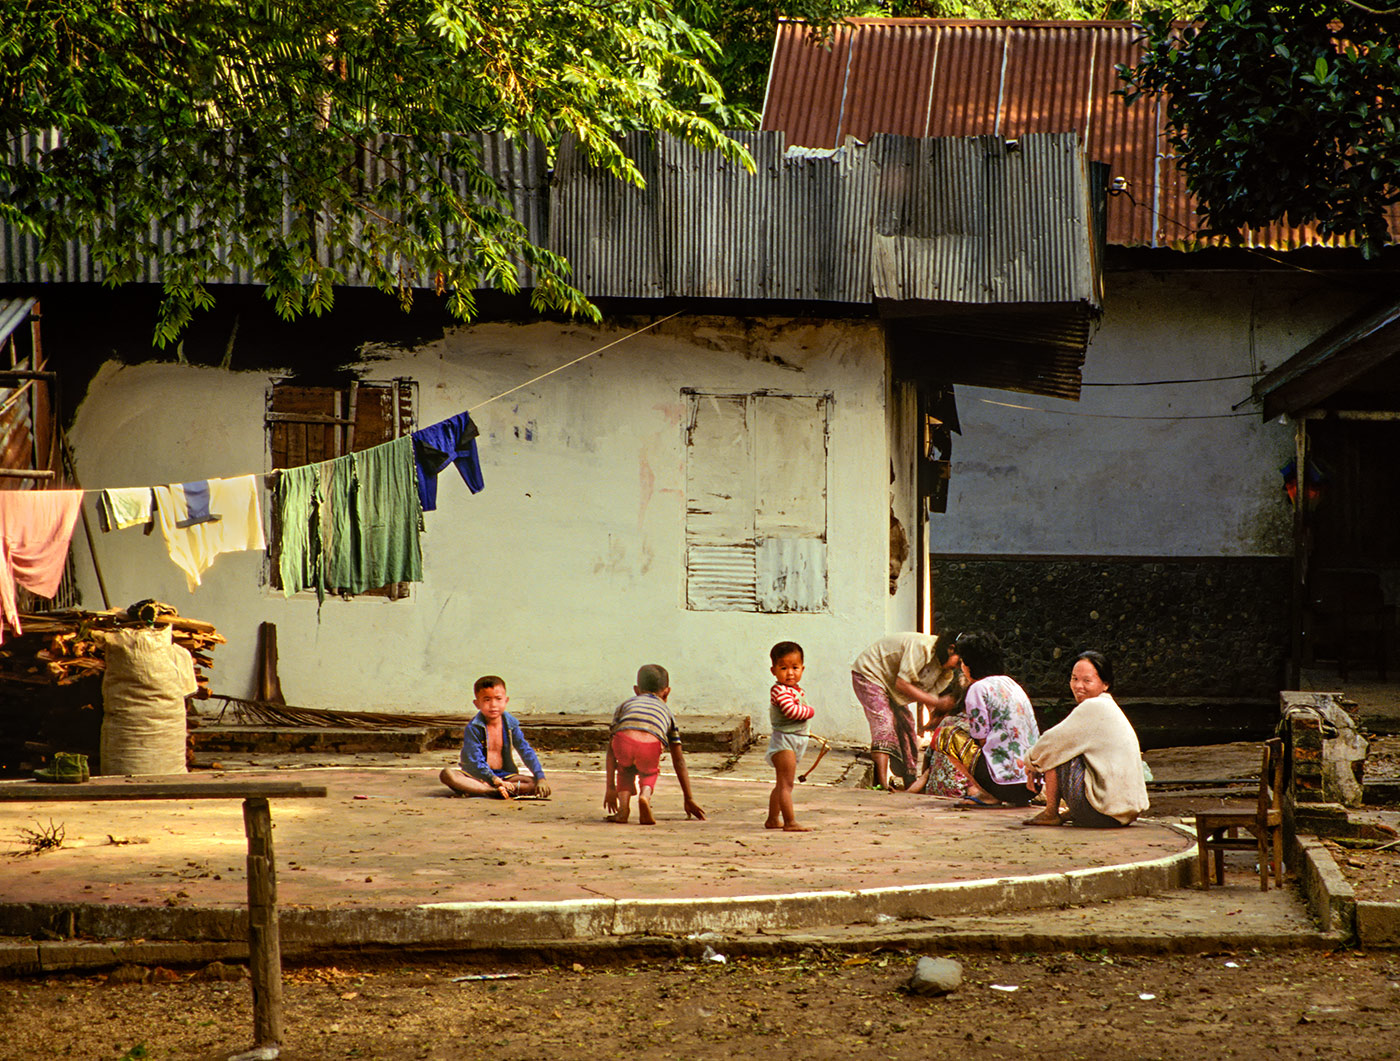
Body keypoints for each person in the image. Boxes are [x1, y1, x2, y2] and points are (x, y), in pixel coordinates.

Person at [1024, 651, 1150, 827]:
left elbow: (1050, 743)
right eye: (1074, 679)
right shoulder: (1109, 706)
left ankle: (1051, 812)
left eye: (1087, 681)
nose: (1078, 686)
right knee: (1058, 747)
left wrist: (1030, 763)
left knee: (1057, 748)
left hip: (1102, 813)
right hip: (1125, 815)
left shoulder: (1094, 706)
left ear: (1105, 684)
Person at [850, 632, 962, 790]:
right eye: (959, 661)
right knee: (884, 722)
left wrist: (936, 717)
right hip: (870, 674)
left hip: (891, 686)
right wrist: (937, 702)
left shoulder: (946, 673)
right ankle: (882, 784)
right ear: (951, 649)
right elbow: (902, 684)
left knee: (908, 727)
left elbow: (928, 696)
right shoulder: (922, 647)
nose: (958, 667)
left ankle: (910, 781)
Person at [943, 630, 1039, 807]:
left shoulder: (978, 689)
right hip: (1031, 784)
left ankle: (987, 794)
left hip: (1001, 785)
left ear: (969, 664)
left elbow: (981, 737)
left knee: (945, 735)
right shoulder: (1012, 684)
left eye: (963, 662)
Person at [604, 664, 706, 825]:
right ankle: (645, 796)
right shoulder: (667, 713)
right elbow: (678, 760)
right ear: (667, 692)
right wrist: (688, 798)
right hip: (649, 746)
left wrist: (610, 788)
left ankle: (623, 810)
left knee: (624, 769)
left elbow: (611, 752)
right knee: (649, 773)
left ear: (636, 690)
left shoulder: (624, 706)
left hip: (623, 740)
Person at [439, 675, 551, 798]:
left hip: (505, 775)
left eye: (498, 699)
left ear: (506, 701)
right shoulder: (473, 728)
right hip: (477, 776)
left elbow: (526, 751)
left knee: (534, 783)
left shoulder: (511, 725)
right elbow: (475, 760)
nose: (493, 705)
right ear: (477, 704)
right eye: (487, 700)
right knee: (447, 774)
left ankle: (488, 790)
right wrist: (493, 779)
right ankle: (492, 791)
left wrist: (541, 778)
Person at [766, 640, 815, 832]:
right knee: (786, 785)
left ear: (802, 668)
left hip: (793, 741)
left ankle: (772, 819)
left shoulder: (795, 690)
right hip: (784, 743)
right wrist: (809, 711)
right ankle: (790, 821)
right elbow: (791, 711)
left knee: (781, 784)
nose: (790, 673)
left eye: (795, 667)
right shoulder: (779, 691)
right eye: (784, 668)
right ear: (774, 671)